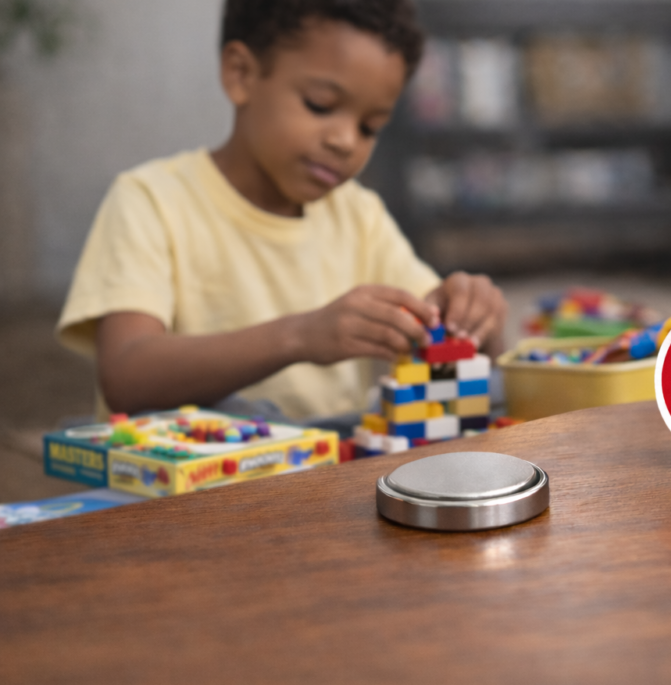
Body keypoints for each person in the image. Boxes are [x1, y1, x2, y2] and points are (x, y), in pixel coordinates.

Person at [56, 0, 506, 426]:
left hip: (322, 485)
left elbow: (450, 346)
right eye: (320, 105)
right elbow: (127, 377)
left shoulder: (358, 216)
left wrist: (473, 317)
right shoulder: (152, 201)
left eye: (370, 127)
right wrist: (299, 337)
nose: (346, 141)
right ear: (241, 74)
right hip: (185, 495)